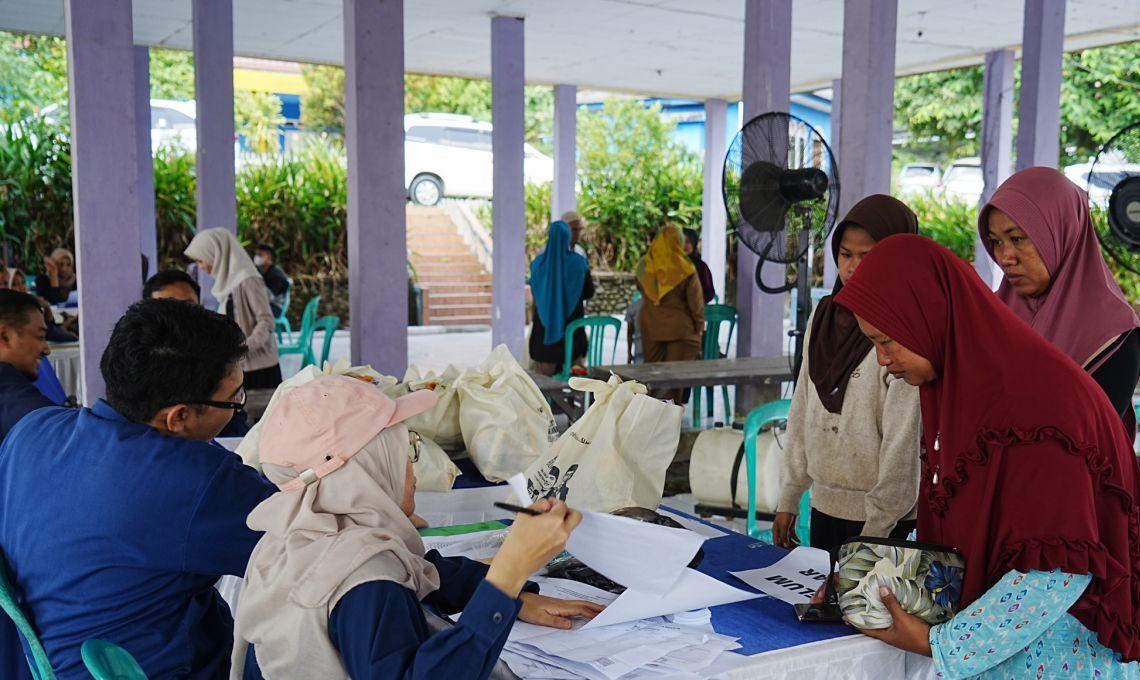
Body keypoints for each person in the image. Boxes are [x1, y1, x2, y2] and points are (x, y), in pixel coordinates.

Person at [833, 234, 1140, 678]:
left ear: (927, 317)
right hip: (1001, 652)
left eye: (887, 341)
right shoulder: (963, 391)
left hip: (1057, 660)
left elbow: (1057, 570)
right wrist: (872, 583)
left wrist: (938, 643)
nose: (882, 360)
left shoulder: (1038, 406)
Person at [232, 375, 603, 680]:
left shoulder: (297, 536)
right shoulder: (365, 582)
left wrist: (513, 597)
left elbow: (420, 571)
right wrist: (508, 576)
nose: (413, 469)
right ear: (367, 467)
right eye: (404, 450)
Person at [0, 299, 277, 678]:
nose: (237, 409)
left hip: (48, 664)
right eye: (234, 400)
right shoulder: (197, 481)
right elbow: (306, 541)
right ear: (178, 416)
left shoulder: (30, 433)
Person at [771, 195, 921, 557]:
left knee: (868, 611)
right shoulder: (824, 318)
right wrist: (790, 494)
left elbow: (904, 441)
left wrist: (874, 533)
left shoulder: (906, 333)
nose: (853, 268)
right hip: (825, 505)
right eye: (845, 254)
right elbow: (804, 406)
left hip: (887, 520)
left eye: (868, 256)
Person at [980, 166, 1140, 432]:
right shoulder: (989, 315)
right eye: (995, 242)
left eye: (1017, 239)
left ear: (1063, 231)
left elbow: (1089, 441)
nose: (1005, 258)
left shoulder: (1113, 336)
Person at [186, 228, 282, 390]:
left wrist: (243, 348)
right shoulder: (228, 282)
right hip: (241, 365)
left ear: (215, 254)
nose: (200, 267)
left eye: (201, 260)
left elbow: (266, 321)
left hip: (259, 368)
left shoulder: (248, 280)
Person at [636, 225, 704, 405]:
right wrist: (699, 327)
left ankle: (651, 418)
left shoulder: (644, 265)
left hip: (650, 326)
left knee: (653, 377)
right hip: (679, 330)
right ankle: (671, 423)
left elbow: (641, 290)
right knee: (674, 382)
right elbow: (696, 304)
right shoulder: (685, 267)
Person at [529, 220, 594, 377]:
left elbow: (535, 294)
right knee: (572, 385)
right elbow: (589, 292)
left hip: (543, 342)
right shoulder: (579, 263)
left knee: (543, 391)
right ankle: (567, 402)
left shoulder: (537, 264)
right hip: (573, 342)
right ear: (567, 237)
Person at [252, 244, 290, 318]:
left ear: (269, 257)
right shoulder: (263, 271)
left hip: (275, 307)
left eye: (260, 255)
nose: (256, 257)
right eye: (256, 254)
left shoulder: (277, 274)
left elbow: (267, 296)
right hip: (265, 305)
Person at [682, 228, 716, 305]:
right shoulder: (671, 265)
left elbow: (709, 293)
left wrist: (695, 301)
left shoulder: (701, 267)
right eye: (681, 241)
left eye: (688, 241)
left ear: (694, 243)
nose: (684, 245)